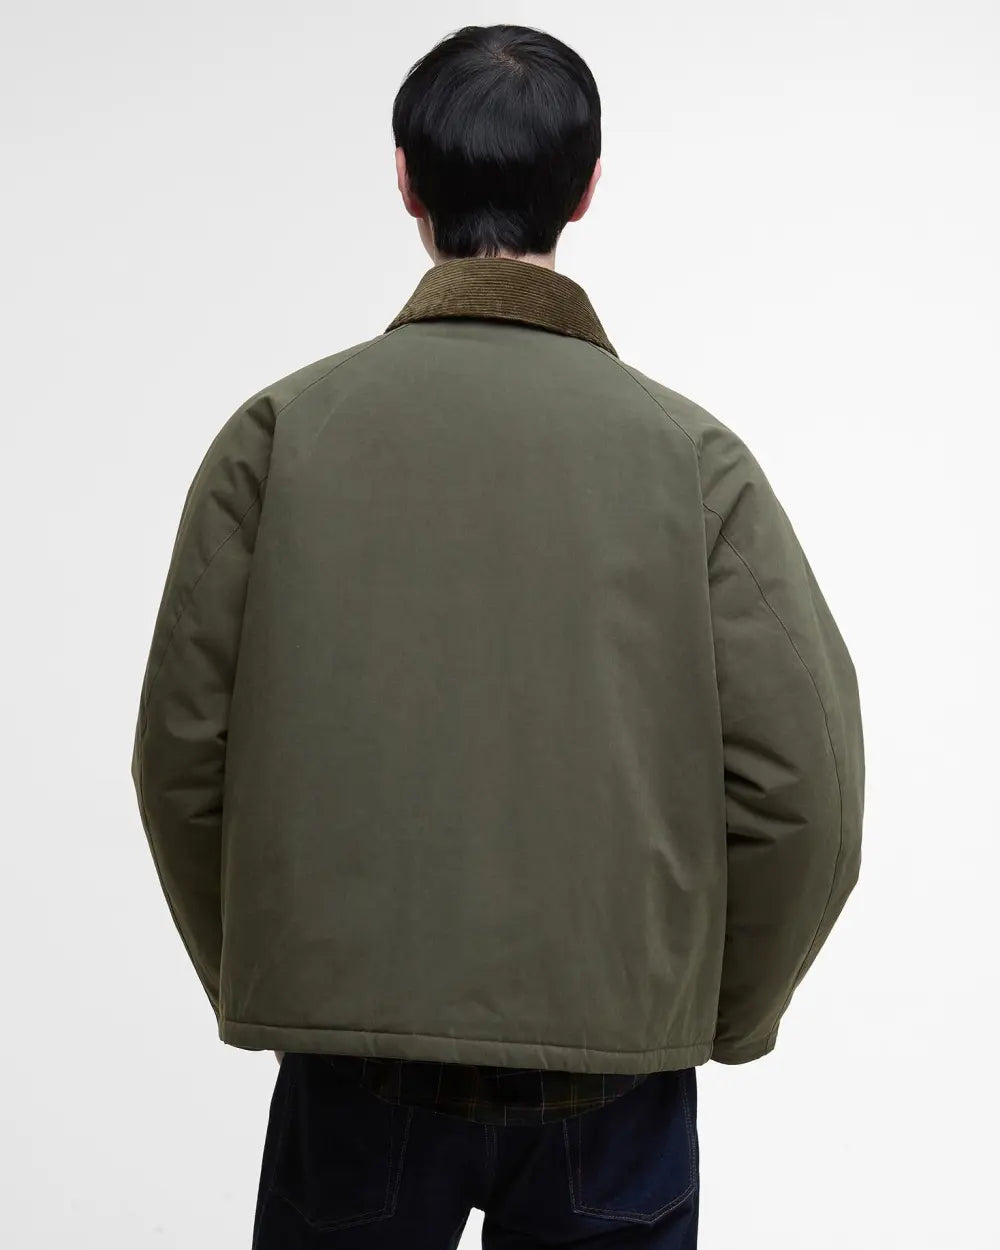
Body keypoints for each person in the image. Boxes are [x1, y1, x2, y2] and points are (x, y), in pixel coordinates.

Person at [129, 22, 865, 1250]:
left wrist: (286, 981)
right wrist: (701, 1014)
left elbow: (179, 762)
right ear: (585, 189)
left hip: (350, 1069)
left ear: (406, 183)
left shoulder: (279, 436)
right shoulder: (692, 461)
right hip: (615, 1081)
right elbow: (807, 795)